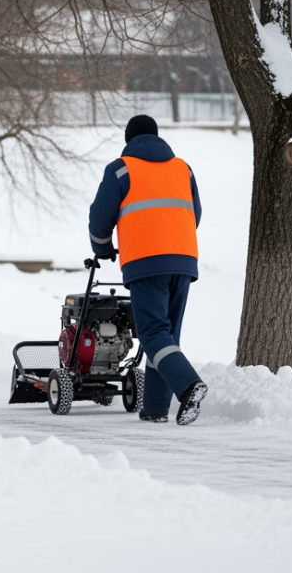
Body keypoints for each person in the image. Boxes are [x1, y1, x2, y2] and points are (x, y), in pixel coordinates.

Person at [88, 115, 207, 425]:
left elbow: (100, 218)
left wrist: (102, 248)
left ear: (128, 140)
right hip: (183, 260)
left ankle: (188, 385)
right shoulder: (183, 168)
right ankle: (154, 409)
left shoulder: (121, 168)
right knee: (166, 336)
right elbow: (194, 213)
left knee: (153, 333)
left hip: (146, 262)